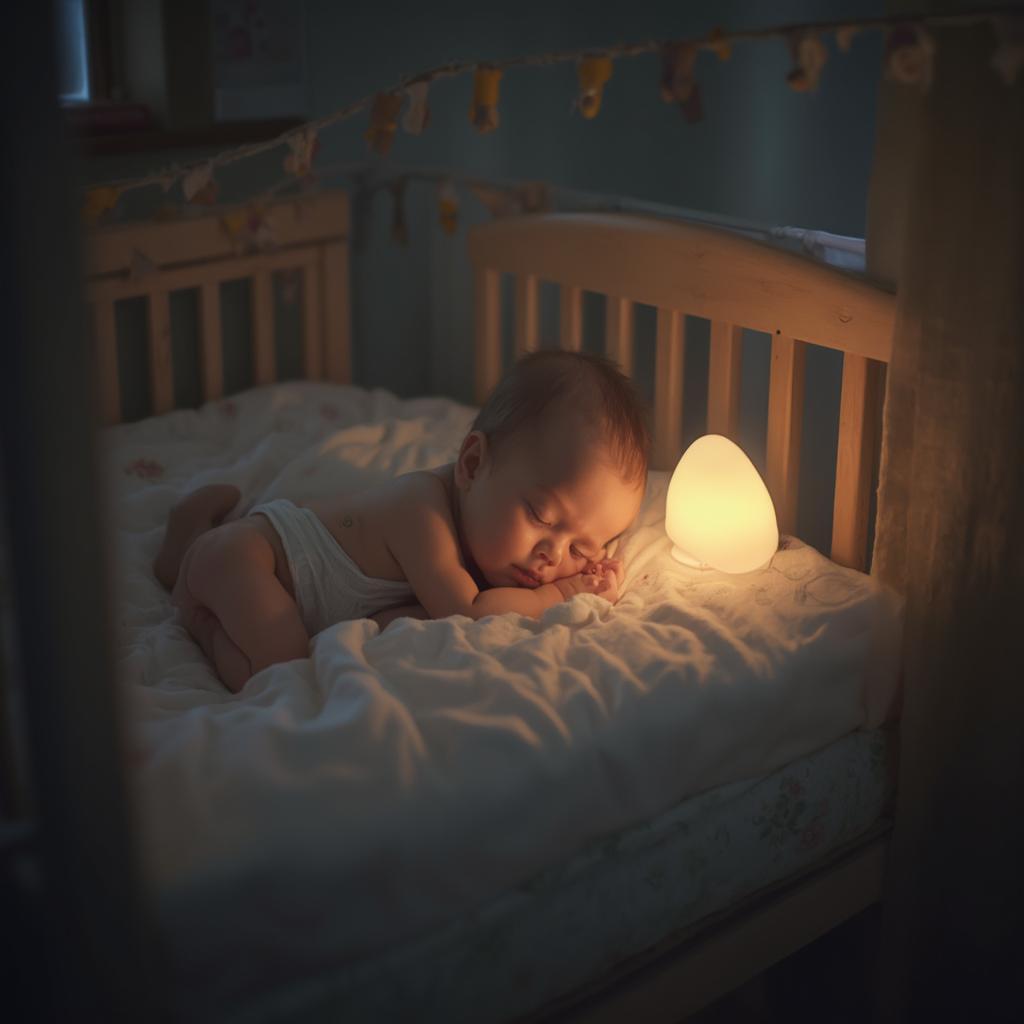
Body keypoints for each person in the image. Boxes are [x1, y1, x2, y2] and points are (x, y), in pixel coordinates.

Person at [154, 350, 650, 693]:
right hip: (251, 559)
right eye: (541, 516)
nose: (553, 556)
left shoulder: (480, 547)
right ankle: (198, 593)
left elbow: (395, 624)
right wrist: (559, 595)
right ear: (473, 465)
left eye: (582, 550)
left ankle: (187, 556)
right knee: (283, 671)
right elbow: (471, 614)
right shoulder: (422, 512)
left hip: (254, 568)